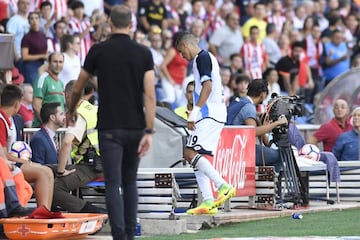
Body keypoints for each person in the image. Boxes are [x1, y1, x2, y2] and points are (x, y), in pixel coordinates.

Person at [69, 5, 156, 239]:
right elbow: (149, 95)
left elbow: (78, 87)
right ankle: (130, 234)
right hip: (136, 126)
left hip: (109, 126)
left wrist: (70, 110)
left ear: (109, 22)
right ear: (131, 23)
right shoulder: (143, 53)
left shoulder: (98, 50)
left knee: (113, 183)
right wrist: (149, 130)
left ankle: (119, 235)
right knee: (129, 182)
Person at [175, 31, 235, 215]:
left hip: (209, 112)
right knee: (196, 157)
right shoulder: (206, 58)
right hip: (213, 111)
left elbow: (207, 87)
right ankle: (208, 201)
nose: (181, 56)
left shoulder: (201, 58)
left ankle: (222, 185)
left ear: (185, 45)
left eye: (180, 51)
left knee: (189, 152)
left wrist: (196, 111)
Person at [52, 80, 106, 214]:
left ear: (68, 95)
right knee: (45, 171)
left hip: (91, 167)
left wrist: (60, 171)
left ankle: (94, 212)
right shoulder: (92, 109)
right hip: (100, 162)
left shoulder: (78, 113)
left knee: (53, 188)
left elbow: (66, 142)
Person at [0, 84, 54, 210]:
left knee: (48, 171)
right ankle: (42, 211)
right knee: (42, 173)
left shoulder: (10, 120)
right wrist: (24, 161)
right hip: (8, 164)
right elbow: (3, 155)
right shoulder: (2, 120)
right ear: (17, 104)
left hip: (11, 161)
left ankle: (46, 211)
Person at [226, 79, 288, 172]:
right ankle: (271, 185)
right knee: (281, 156)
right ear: (263, 94)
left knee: (269, 153)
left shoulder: (238, 101)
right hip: (241, 151)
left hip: (230, 147)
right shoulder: (249, 107)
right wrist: (277, 123)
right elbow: (253, 132)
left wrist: (258, 115)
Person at [32, 52, 65, 127]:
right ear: (49, 63)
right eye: (55, 62)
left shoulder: (60, 83)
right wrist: (46, 125)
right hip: (43, 129)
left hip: (56, 130)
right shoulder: (43, 79)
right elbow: (36, 105)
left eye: (60, 62)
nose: (58, 65)